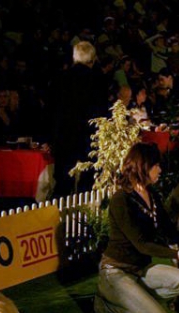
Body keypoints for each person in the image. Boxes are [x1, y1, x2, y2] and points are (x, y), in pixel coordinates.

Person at [91, 143, 179, 313]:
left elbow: (169, 229)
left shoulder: (152, 195)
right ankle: (103, 305)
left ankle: (138, 298)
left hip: (141, 269)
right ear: (144, 167)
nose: (160, 170)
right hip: (116, 271)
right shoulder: (121, 200)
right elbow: (142, 245)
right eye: (156, 165)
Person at [50, 41, 108, 196]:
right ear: (93, 59)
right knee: (86, 185)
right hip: (87, 139)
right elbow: (101, 112)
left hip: (64, 138)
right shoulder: (97, 80)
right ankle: (82, 218)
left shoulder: (61, 78)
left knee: (62, 183)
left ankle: (56, 217)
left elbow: (52, 110)